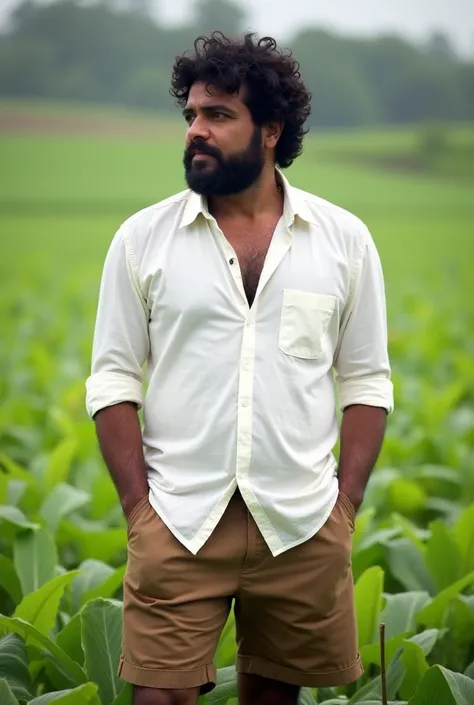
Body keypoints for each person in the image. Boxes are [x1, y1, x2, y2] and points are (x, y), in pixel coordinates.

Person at [85, 31, 394, 705]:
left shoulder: (343, 242)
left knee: (273, 696)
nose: (196, 129)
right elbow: (112, 380)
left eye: (218, 115)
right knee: (156, 697)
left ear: (271, 131)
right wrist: (141, 511)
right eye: (192, 114)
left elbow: (366, 380)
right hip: (179, 514)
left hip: (301, 520)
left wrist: (343, 508)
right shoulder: (143, 240)